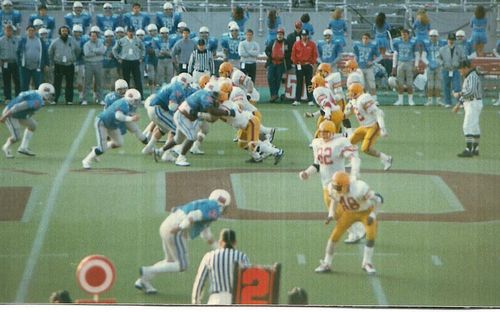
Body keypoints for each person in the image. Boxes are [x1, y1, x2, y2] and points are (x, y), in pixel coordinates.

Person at [135, 189, 232, 294]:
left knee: (170, 261)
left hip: (167, 225)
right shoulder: (214, 208)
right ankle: (147, 271)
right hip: (176, 229)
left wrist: (220, 249)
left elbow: (206, 234)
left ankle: (143, 281)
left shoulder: (206, 205)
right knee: (182, 265)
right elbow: (193, 216)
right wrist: (180, 227)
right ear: (222, 204)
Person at [299, 120, 365, 244]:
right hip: (325, 183)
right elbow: (317, 164)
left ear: (333, 132)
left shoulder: (339, 143)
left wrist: (355, 172)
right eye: (322, 132)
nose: (323, 134)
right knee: (336, 213)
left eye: (326, 132)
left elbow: (353, 158)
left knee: (338, 211)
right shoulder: (317, 143)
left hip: (338, 181)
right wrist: (307, 172)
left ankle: (355, 231)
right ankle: (357, 227)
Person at [314, 171, 383, 275]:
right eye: (335, 187)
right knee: (334, 236)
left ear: (347, 185)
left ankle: (367, 262)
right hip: (349, 213)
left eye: (339, 187)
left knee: (371, 235)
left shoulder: (359, 188)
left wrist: (373, 215)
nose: (336, 190)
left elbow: (379, 200)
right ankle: (327, 263)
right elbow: (334, 200)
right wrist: (331, 214)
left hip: (365, 212)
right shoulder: (333, 188)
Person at [153, 86, 234, 166]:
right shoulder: (206, 96)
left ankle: (159, 151)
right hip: (182, 116)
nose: (217, 96)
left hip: (184, 115)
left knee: (178, 139)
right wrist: (227, 112)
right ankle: (181, 158)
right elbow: (211, 111)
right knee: (192, 136)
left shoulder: (203, 93)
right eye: (216, 94)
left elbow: (207, 113)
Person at [81, 89, 142, 169]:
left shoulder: (125, 103)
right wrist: (131, 119)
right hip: (102, 122)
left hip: (112, 125)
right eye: (135, 100)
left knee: (119, 142)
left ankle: (95, 150)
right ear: (130, 99)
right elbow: (118, 116)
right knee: (102, 149)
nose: (136, 103)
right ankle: (86, 161)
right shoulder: (123, 104)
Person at [192, 228, 250, 305]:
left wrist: (195, 303)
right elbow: (249, 281)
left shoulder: (209, 256)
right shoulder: (242, 257)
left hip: (215, 300)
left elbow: (199, 283)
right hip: (236, 301)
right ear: (235, 242)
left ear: (220, 242)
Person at [345, 83, 392, 171]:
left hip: (373, 126)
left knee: (365, 149)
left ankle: (386, 158)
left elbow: (378, 113)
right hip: (364, 127)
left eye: (352, 92)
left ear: (357, 92)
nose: (350, 94)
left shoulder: (364, 99)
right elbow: (349, 113)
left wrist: (382, 128)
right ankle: (353, 161)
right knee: (349, 143)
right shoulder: (354, 100)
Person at [0, 83, 54, 158]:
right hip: (11, 113)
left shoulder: (37, 94)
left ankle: (23, 147)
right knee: (16, 137)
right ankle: (6, 147)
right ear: (45, 92)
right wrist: (5, 116)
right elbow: (17, 107)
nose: (51, 96)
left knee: (33, 125)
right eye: (50, 94)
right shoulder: (37, 100)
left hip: (20, 114)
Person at [452, 60, 483, 157]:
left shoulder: (472, 77)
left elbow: (470, 92)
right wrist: (459, 104)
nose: (460, 72)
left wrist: (458, 95)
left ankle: (469, 149)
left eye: (461, 69)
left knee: (467, 126)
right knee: (474, 127)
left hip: (472, 103)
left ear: (466, 68)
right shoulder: (471, 76)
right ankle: (475, 148)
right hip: (472, 103)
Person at [48, 25, 81, 105]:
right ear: (60, 32)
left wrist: (73, 58)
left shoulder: (72, 41)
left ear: (68, 32)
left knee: (69, 83)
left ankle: (69, 100)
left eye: (66, 31)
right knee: (57, 83)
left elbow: (78, 50)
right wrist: (53, 62)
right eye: (63, 31)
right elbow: (50, 52)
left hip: (70, 65)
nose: (64, 32)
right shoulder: (55, 42)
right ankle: (54, 99)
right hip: (58, 65)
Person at [112, 27, 145, 99]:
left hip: (135, 61)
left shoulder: (138, 40)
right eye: (129, 31)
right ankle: (125, 96)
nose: (131, 33)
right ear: (127, 32)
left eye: (132, 31)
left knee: (137, 80)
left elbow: (143, 49)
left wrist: (141, 58)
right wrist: (118, 58)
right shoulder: (121, 40)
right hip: (125, 61)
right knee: (125, 80)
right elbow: (114, 49)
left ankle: (140, 97)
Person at [438, 33, 466, 108]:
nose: (451, 41)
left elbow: (463, 58)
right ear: (447, 40)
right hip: (446, 70)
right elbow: (438, 58)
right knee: (446, 86)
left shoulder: (459, 49)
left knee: (457, 87)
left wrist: (459, 65)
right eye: (450, 39)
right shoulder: (442, 49)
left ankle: (459, 102)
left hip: (455, 70)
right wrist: (442, 64)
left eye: (453, 39)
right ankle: (448, 102)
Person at [17, 25, 48, 92]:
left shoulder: (40, 41)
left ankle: (38, 101)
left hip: (37, 67)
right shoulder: (23, 41)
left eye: (32, 30)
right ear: (26, 32)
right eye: (29, 30)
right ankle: (24, 100)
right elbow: (17, 52)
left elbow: (45, 53)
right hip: (25, 67)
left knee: (38, 85)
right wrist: (19, 63)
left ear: (35, 31)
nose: (31, 32)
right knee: (24, 85)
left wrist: (46, 64)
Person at [291, 29, 318, 106]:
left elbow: (314, 55)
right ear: (301, 36)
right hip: (299, 65)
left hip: (308, 65)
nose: (304, 37)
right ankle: (297, 99)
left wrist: (311, 63)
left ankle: (310, 99)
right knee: (299, 82)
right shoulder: (296, 44)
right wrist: (296, 62)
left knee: (309, 82)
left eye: (305, 35)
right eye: (303, 35)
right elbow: (293, 55)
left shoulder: (312, 44)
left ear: (308, 35)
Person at [392, 29, 418, 106]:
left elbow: (416, 54)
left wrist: (415, 65)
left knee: (410, 83)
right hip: (400, 62)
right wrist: (394, 66)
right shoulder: (397, 42)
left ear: (408, 35)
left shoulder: (412, 42)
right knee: (400, 83)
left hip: (409, 62)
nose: (404, 36)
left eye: (405, 34)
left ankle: (410, 100)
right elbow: (396, 54)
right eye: (403, 34)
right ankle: (400, 100)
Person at [353, 33, 381, 99]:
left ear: (369, 39)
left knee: (372, 84)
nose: (365, 40)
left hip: (369, 68)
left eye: (366, 38)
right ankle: (364, 98)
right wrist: (355, 63)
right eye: (363, 38)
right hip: (360, 68)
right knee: (362, 84)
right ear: (361, 39)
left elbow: (380, 57)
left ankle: (374, 99)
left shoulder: (372, 46)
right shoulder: (358, 45)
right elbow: (355, 55)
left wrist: (372, 62)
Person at [82, 27, 105, 105]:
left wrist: (93, 50)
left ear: (97, 36)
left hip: (99, 64)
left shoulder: (101, 43)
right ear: (90, 36)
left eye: (95, 36)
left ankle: (100, 99)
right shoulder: (86, 44)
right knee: (87, 83)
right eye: (92, 36)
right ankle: (84, 99)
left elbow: (102, 51)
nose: (93, 37)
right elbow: (87, 54)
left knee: (99, 83)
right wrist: (97, 52)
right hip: (89, 64)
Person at [422, 29, 446, 106]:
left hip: (439, 66)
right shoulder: (426, 44)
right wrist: (428, 63)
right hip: (429, 66)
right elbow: (423, 56)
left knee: (438, 84)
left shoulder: (442, 44)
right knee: (430, 84)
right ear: (429, 37)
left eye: (435, 36)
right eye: (431, 36)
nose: (433, 38)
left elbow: (444, 55)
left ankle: (438, 100)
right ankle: (430, 100)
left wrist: (440, 63)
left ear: (437, 36)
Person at [265, 27, 288, 103]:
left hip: (281, 64)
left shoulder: (286, 42)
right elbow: (267, 50)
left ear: (283, 35)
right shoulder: (272, 42)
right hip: (272, 63)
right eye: (278, 34)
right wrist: (270, 55)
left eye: (281, 34)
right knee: (270, 78)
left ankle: (275, 95)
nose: (279, 35)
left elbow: (287, 52)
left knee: (278, 79)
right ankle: (273, 94)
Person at [0, 24, 20, 103]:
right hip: (5, 63)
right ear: (4, 31)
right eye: (7, 30)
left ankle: (18, 97)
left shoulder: (17, 39)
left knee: (17, 81)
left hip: (15, 63)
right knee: (6, 81)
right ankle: (7, 98)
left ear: (12, 31)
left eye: (10, 30)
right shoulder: (1, 40)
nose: (9, 32)